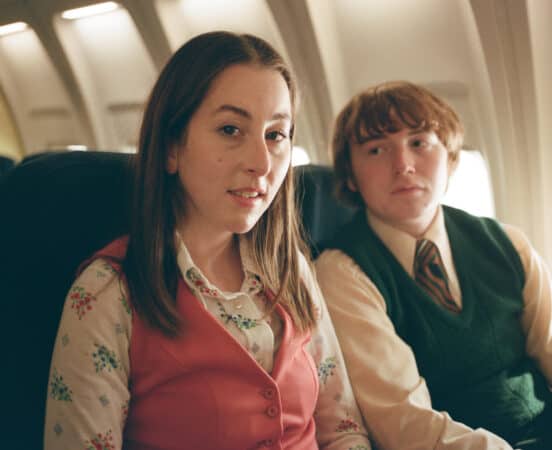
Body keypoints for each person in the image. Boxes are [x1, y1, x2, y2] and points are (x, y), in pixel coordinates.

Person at [44, 31, 371, 450]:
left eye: (276, 135)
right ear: (170, 148)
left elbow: (342, 429)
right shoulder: (108, 293)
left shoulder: (293, 272)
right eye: (231, 129)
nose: (261, 163)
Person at [315, 81, 552, 450]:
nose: (403, 166)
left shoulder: (507, 243)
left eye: (419, 143)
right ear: (350, 176)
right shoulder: (342, 272)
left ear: (451, 156)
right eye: (376, 149)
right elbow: (402, 420)